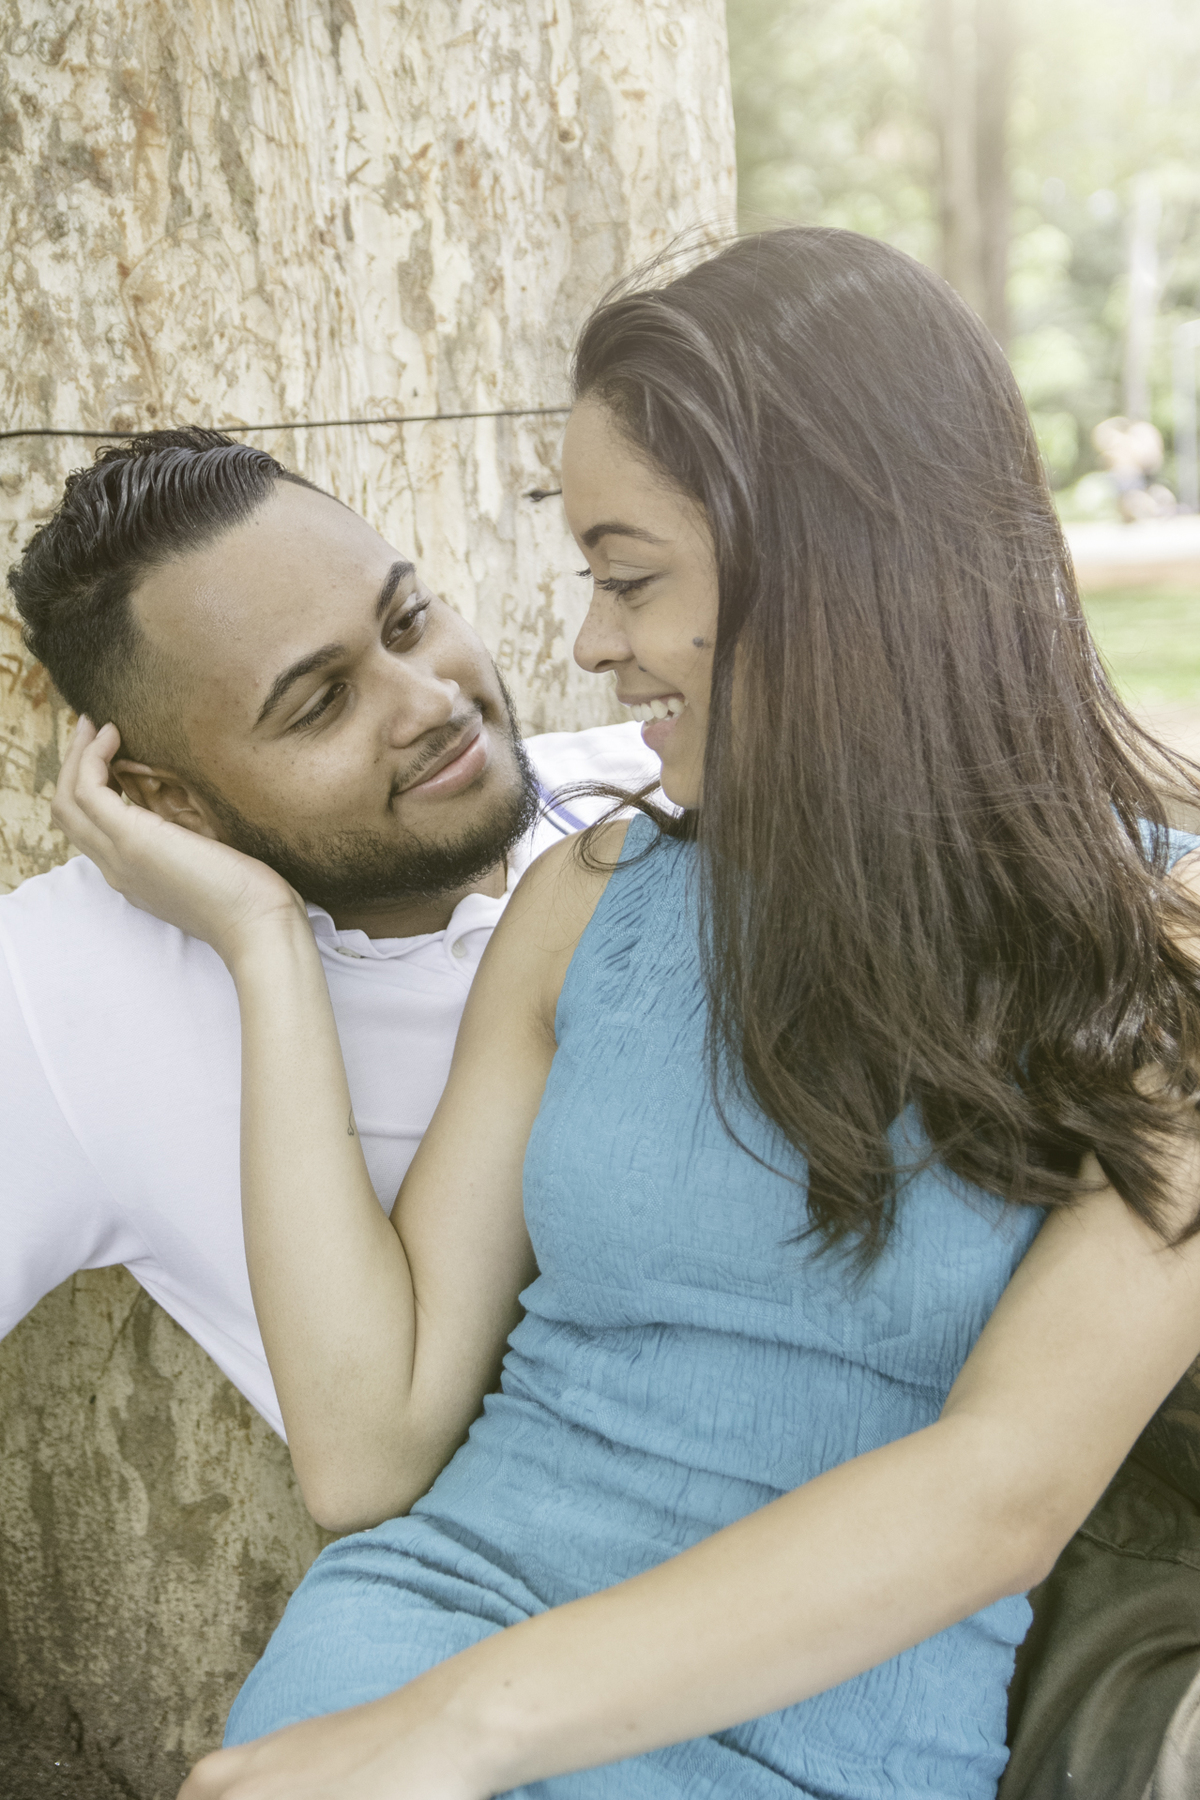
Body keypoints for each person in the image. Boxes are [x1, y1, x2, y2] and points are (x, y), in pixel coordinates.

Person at [54, 228, 1200, 1800]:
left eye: (631, 578)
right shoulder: (587, 900)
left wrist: (459, 1736)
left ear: (844, 566)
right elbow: (369, 1445)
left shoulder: (1168, 956)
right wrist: (260, 938)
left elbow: (999, 1488)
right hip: (425, 1642)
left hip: (792, 1743)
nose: (590, 644)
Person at [1, 429, 656, 1437]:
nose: (432, 703)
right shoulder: (70, 984)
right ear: (166, 803)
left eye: (407, 621)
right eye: (319, 705)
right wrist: (262, 937)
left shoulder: (668, 788)